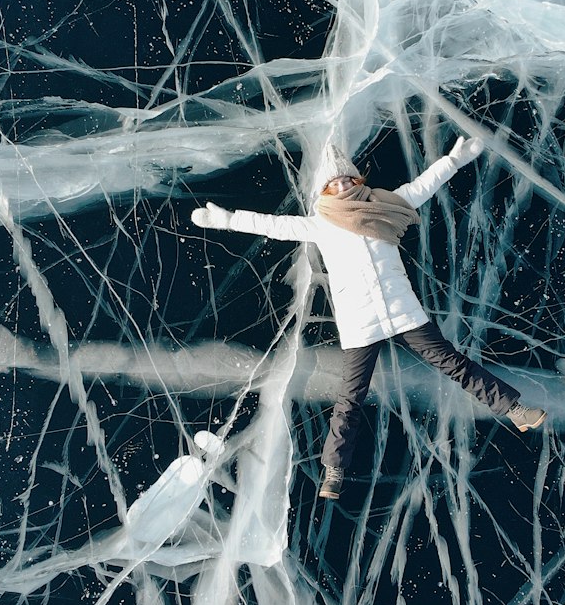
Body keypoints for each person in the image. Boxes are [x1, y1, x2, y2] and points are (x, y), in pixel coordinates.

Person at [190, 137, 546, 500]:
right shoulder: (321, 224)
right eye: (334, 182)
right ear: (324, 189)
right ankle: (334, 470)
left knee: (454, 364)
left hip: (403, 311)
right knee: (351, 398)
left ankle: (515, 409)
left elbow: (425, 184)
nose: (342, 185)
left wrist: (454, 160)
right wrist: (226, 220)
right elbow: (275, 226)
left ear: (357, 180)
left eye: (347, 179)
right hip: (360, 323)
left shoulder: (386, 205)